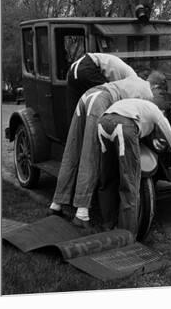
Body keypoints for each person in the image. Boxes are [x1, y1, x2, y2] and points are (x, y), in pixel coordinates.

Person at [48, 75, 153, 228]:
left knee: (73, 150)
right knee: (91, 154)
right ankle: (81, 214)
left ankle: (56, 204)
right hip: (101, 100)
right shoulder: (148, 92)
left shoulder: (132, 79)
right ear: (156, 86)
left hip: (87, 95)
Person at [97, 98, 171, 235]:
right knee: (130, 184)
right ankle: (127, 233)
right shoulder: (156, 112)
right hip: (124, 126)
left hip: (103, 123)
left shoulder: (138, 103)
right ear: (163, 111)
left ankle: (107, 224)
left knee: (107, 176)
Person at [66, 53, 137, 121]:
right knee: (103, 103)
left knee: (75, 112)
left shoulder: (127, 74)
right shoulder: (133, 79)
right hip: (88, 66)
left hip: (73, 69)